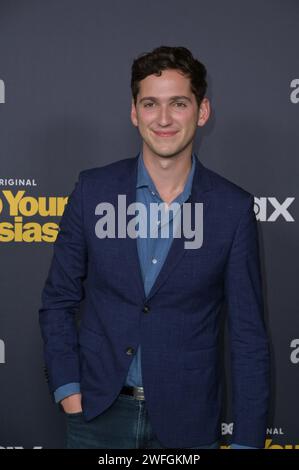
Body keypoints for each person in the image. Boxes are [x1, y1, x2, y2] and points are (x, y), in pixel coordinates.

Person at [39, 46, 270, 449]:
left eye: (178, 103)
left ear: (202, 112)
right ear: (135, 112)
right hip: (97, 415)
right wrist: (68, 389)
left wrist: (248, 440)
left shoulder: (232, 209)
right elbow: (57, 300)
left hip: (190, 423)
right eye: (151, 103)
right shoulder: (93, 191)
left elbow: (248, 334)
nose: (163, 119)